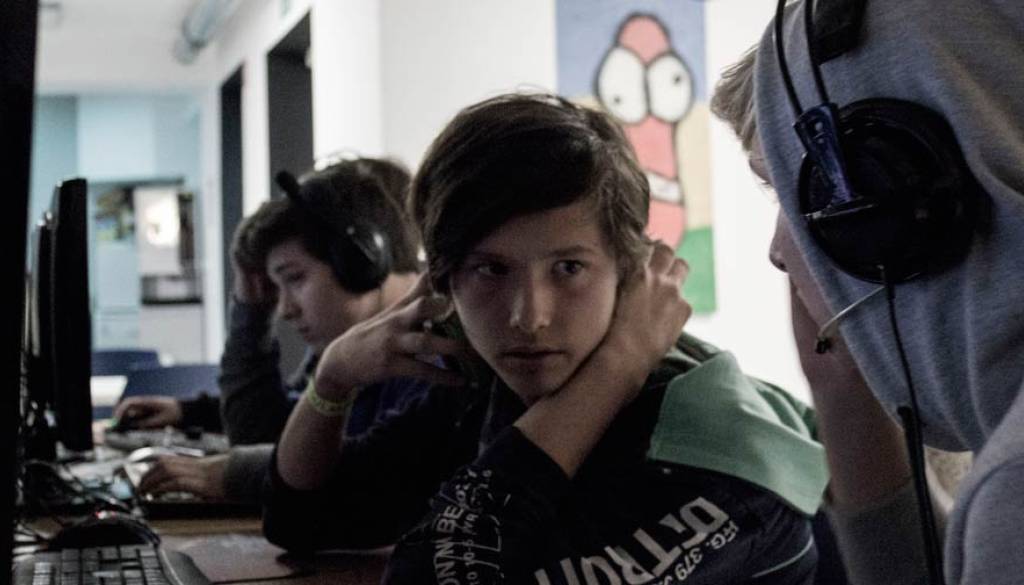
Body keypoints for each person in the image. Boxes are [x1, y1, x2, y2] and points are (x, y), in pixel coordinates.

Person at [264, 93, 830, 584]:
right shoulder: (488, 386)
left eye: (568, 268)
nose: (529, 317)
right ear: (443, 281)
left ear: (630, 273)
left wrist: (616, 369)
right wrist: (333, 377)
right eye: (491, 269)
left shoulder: (716, 446)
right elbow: (300, 522)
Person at [747, 1, 1024, 584]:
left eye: (796, 193)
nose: (778, 250)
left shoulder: (1013, 489)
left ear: (884, 208)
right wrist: (845, 392)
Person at [114, 157, 428, 502]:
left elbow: (382, 476)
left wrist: (235, 473)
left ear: (361, 260)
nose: (286, 310)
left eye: (295, 279)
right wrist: (251, 310)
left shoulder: (436, 352)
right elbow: (270, 432)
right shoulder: (352, 345)